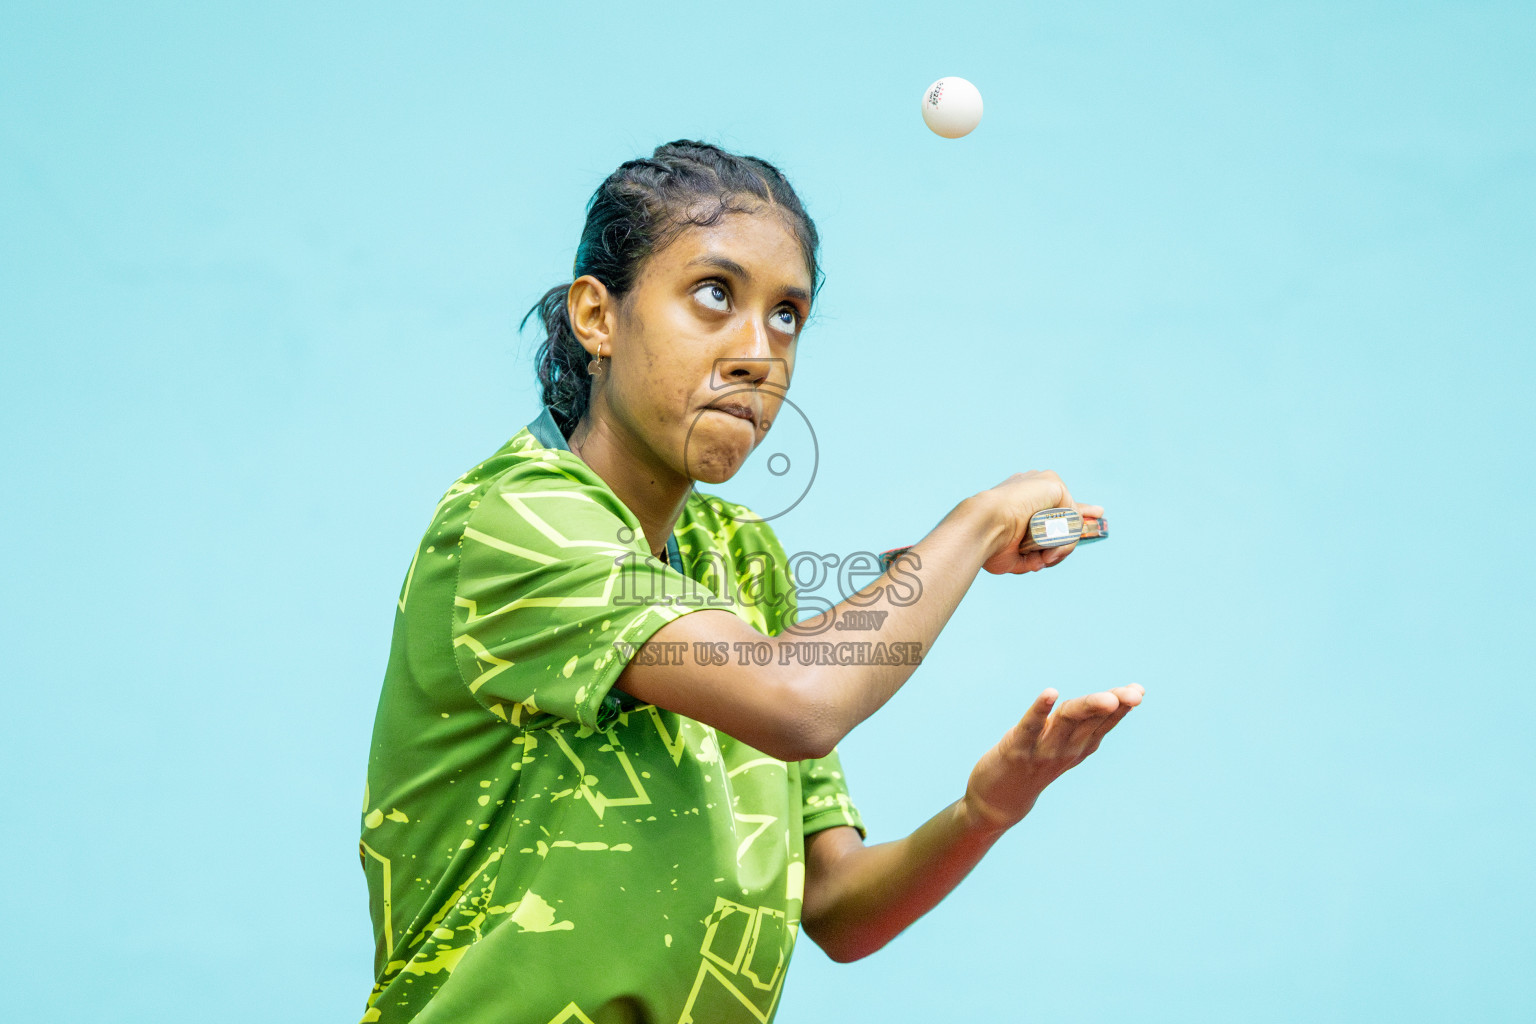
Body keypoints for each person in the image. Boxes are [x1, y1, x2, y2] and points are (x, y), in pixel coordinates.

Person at [357, 140, 1143, 1024]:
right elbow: (800, 701)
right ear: (597, 317)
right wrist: (979, 521)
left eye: (787, 317)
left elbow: (838, 905)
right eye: (713, 295)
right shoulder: (517, 522)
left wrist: (983, 810)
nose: (756, 352)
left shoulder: (740, 555)